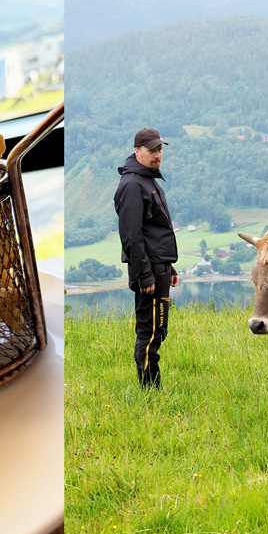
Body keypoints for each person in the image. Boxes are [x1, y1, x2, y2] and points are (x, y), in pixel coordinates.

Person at [114, 127, 179, 390]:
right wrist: (144, 275)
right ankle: (149, 390)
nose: (157, 154)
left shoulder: (147, 181)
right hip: (147, 271)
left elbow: (155, 231)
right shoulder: (132, 185)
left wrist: (169, 266)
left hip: (158, 267)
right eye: (152, 149)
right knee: (149, 331)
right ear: (137, 151)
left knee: (159, 327)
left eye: (160, 149)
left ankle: (153, 386)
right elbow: (131, 235)